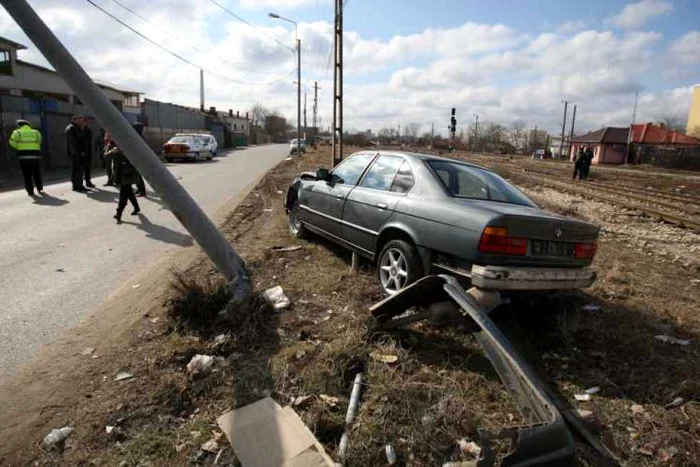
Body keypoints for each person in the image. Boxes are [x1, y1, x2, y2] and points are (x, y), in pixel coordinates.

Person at [105, 133, 140, 223]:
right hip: (120, 173)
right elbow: (106, 156)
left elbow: (134, 157)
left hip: (128, 172)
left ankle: (119, 213)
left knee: (123, 194)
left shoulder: (129, 144)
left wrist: (119, 151)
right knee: (128, 192)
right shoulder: (113, 145)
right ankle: (136, 207)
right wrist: (111, 151)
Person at [9, 119, 43, 196]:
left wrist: (19, 146)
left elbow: (11, 142)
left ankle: (30, 191)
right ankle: (39, 188)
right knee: (36, 172)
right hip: (35, 155)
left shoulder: (17, 132)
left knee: (27, 174)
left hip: (23, 155)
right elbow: (40, 141)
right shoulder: (36, 132)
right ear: (28, 125)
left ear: (19, 125)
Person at [65, 115, 94, 192]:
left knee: (77, 170)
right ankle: (78, 186)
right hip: (76, 154)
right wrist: (79, 152)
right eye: (80, 120)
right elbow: (73, 143)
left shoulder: (74, 128)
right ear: (75, 120)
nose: (81, 121)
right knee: (78, 170)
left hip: (76, 153)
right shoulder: (72, 128)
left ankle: (77, 186)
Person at [131, 122, 147, 197]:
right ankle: (139, 189)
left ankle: (142, 191)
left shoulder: (140, 137)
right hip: (136, 158)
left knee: (138, 175)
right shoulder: (137, 136)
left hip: (140, 159)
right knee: (136, 175)